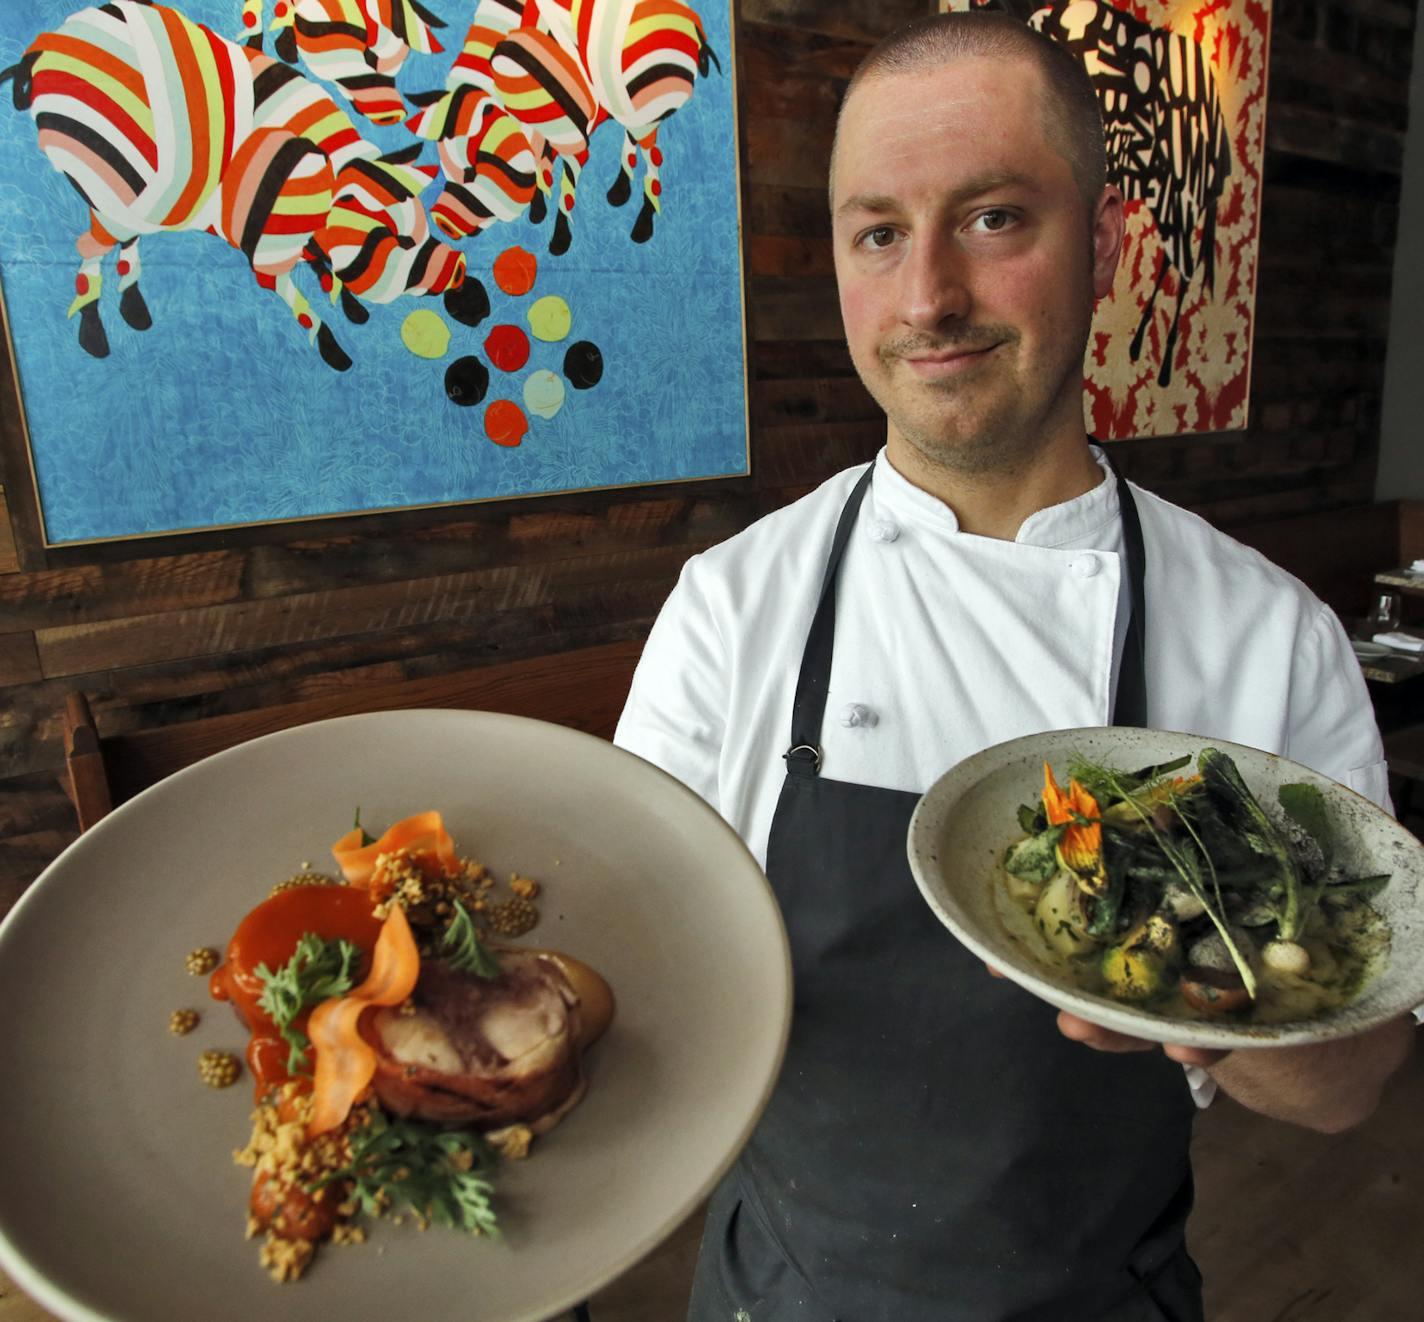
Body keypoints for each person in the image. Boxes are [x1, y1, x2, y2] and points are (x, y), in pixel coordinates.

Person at [614, 12, 1414, 1321]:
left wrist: (1227, 1007)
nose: (927, 296)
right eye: (879, 232)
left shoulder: (1263, 637)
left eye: (992, 219)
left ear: (1102, 246)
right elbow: (637, 984)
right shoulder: (734, 609)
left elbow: (1357, 1082)